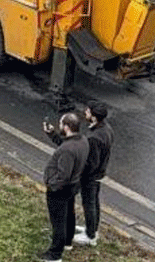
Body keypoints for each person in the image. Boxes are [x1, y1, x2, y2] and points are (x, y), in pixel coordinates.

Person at [49, 102, 112, 248]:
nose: (85, 113)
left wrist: (78, 174)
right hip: (99, 173)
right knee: (94, 202)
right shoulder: (106, 129)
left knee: (89, 203)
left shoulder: (94, 138)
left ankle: (90, 236)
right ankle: (92, 230)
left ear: (94, 117)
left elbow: (90, 162)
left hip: (90, 176)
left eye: (88, 112)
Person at [40, 113, 90, 262]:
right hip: (73, 186)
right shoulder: (82, 141)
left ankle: (55, 255)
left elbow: (63, 175)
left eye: (61, 124)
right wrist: (52, 134)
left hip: (60, 190)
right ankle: (68, 241)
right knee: (69, 214)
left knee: (58, 222)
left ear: (67, 127)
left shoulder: (67, 150)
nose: (59, 126)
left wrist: (51, 184)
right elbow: (65, 143)